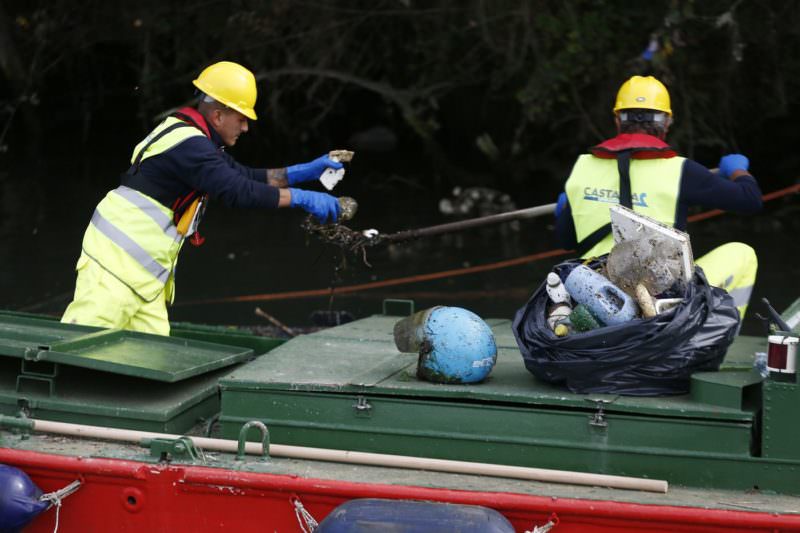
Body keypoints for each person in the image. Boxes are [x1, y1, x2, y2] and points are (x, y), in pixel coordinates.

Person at [62, 61, 344, 336]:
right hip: (115, 265)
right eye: (241, 118)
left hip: (145, 278)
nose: (246, 128)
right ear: (219, 116)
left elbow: (245, 176)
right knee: (79, 346)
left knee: (148, 360)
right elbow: (236, 191)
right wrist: (301, 198)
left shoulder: (193, 140)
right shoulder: (190, 146)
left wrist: (302, 172)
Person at [555, 75, 762, 316]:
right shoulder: (681, 171)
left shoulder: (582, 168)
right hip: (661, 298)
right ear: (666, 122)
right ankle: (715, 334)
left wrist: (564, 212)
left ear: (617, 120)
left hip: (590, 290)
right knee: (743, 253)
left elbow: (566, 241)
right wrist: (737, 170)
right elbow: (750, 199)